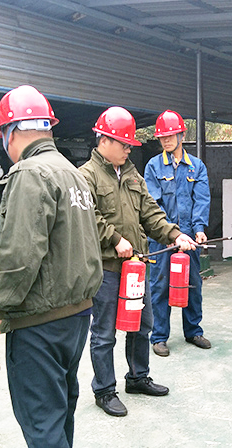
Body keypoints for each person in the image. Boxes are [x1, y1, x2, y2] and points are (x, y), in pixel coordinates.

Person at [0, 85, 103, 448]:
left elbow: (20, 253)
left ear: (11, 132)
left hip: (39, 320)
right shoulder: (71, 172)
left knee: (41, 417)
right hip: (76, 313)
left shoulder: (29, 175)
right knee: (61, 405)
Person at [79, 106, 196, 418]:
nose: (129, 148)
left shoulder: (131, 173)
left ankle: (138, 377)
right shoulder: (85, 176)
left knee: (141, 325)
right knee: (104, 333)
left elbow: (150, 211)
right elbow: (88, 216)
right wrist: (115, 239)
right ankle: (104, 390)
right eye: (124, 144)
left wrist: (174, 235)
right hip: (105, 269)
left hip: (136, 265)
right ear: (104, 140)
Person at [144, 110, 212, 357]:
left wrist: (199, 229)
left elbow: (201, 199)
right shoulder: (153, 167)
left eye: (171, 135)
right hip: (162, 238)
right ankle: (159, 337)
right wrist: (171, 234)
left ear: (182, 134)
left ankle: (193, 331)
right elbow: (153, 205)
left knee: (193, 284)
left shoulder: (196, 166)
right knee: (160, 285)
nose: (166, 140)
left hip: (190, 239)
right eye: (162, 136)